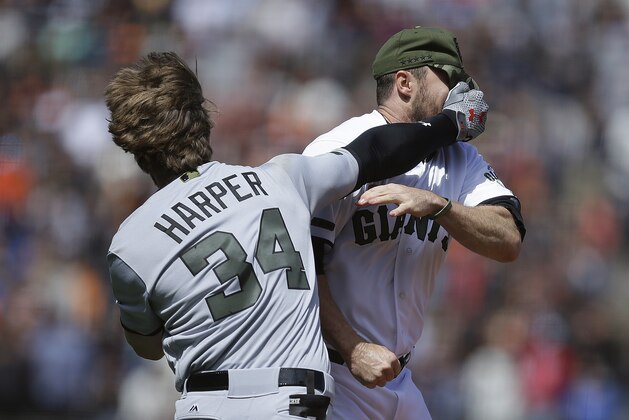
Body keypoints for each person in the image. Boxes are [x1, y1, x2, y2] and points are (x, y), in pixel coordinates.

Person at [103, 51, 488, 420]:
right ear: (205, 119)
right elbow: (376, 150)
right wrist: (451, 122)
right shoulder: (280, 179)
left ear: (132, 147)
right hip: (291, 405)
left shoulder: (129, 244)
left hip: (205, 407)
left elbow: (148, 346)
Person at [302, 26, 526, 419]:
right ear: (405, 82)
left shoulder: (460, 159)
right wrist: (352, 346)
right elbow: (300, 264)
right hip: (334, 374)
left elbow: (508, 239)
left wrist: (441, 206)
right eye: (450, 79)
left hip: (399, 379)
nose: (462, 95)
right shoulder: (338, 148)